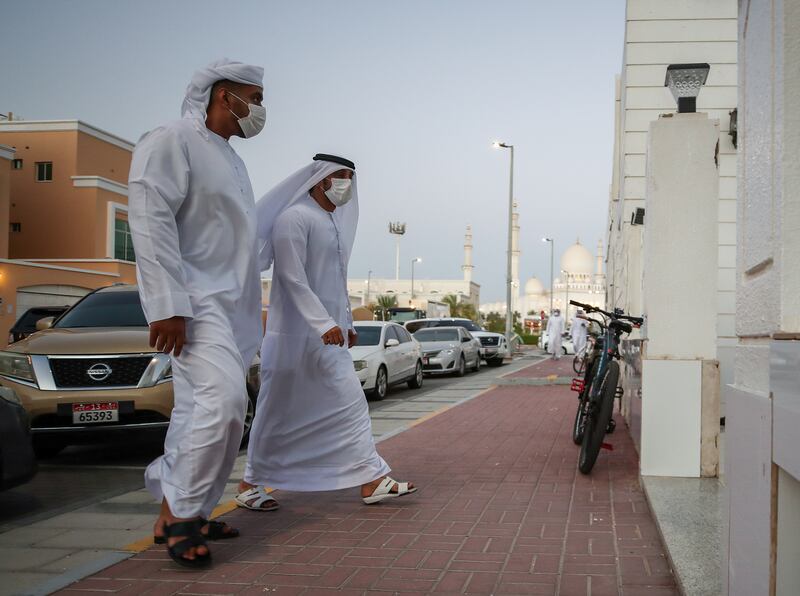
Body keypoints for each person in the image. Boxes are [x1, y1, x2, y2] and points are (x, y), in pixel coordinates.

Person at [128, 58, 266, 568]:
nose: (258, 108)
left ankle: (180, 509)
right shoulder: (170, 140)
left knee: (203, 414)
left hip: (231, 308)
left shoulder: (232, 159)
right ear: (221, 95)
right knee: (223, 403)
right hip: (192, 303)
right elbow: (149, 218)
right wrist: (166, 305)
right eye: (251, 97)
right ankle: (184, 517)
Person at [236, 154, 416, 512]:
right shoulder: (294, 218)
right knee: (276, 411)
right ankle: (249, 483)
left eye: (350, 176)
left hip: (325, 338)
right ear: (320, 180)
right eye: (341, 175)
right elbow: (292, 277)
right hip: (294, 337)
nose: (347, 183)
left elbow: (335, 284)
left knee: (348, 402)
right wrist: (324, 324)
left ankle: (371, 479)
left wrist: (345, 324)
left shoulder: (330, 222)